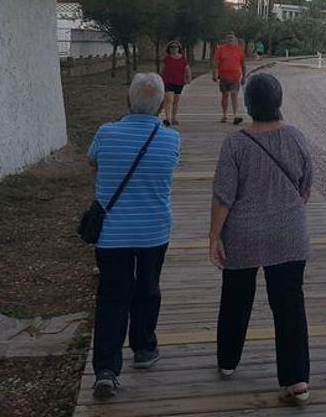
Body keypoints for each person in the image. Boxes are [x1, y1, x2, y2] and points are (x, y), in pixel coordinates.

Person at [209, 73, 313, 405]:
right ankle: (296, 380)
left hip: (243, 235)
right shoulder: (296, 138)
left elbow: (224, 196)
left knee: (236, 298)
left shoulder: (236, 144)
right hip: (289, 235)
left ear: (250, 105)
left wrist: (214, 237)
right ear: (278, 102)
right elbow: (305, 187)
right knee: (289, 306)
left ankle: (228, 362)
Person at [88, 73, 181, 399]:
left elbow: (94, 164)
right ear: (160, 105)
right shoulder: (172, 139)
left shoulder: (105, 133)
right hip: (154, 231)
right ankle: (143, 348)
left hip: (113, 233)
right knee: (148, 288)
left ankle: (106, 370)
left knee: (112, 297)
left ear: (128, 101)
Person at [213, 32, 246, 124]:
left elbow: (243, 64)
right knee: (225, 95)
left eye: (232, 38)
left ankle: (236, 115)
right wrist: (215, 74)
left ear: (235, 39)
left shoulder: (239, 50)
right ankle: (225, 115)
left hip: (235, 76)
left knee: (234, 93)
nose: (230, 39)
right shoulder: (220, 49)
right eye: (228, 38)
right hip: (223, 76)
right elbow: (216, 63)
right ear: (225, 40)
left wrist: (244, 76)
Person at [160, 40, 192, 126]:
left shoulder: (183, 59)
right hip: (168, 81)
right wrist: (160, 79)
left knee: (176, 101)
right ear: (169, 49)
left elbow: (187, 69)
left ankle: (174, 118)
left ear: (179, 48)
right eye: (172, 47)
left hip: (179, 82)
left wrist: (188, 78)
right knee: (169, 100)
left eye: (176, 47)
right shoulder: (166, 59)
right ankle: (168, 118)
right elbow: (162, 70)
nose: (174, 49)